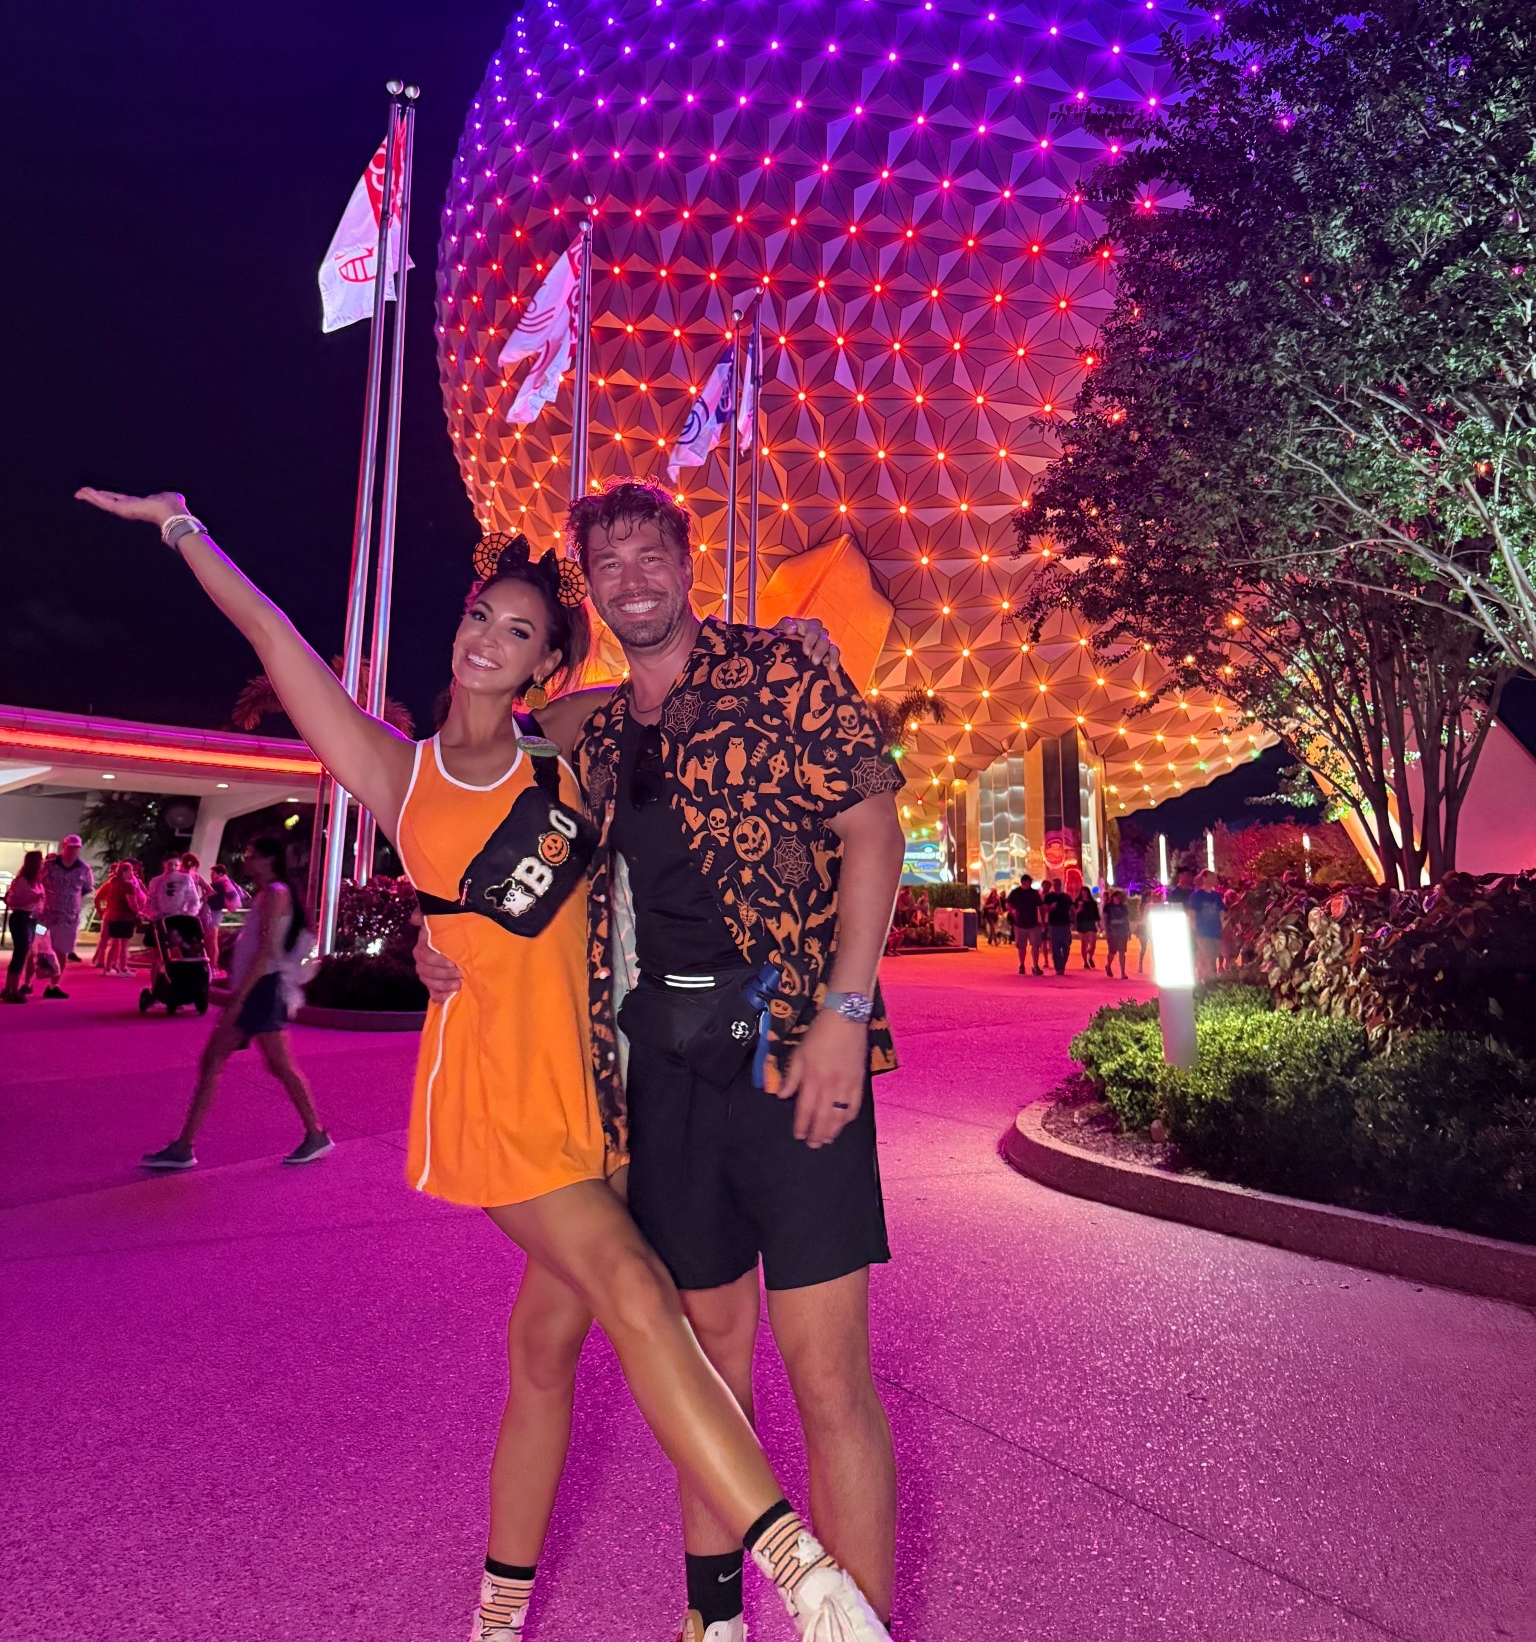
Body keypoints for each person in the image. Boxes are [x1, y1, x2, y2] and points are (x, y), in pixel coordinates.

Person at [79, 483, 890, 1642]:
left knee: (544, 1350)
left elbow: (692, 695)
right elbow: (278, 641)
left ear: (546, 664)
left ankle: (498, 1618)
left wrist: (797, 647)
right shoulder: (400, 769)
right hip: (505, 1101)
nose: (488, 640)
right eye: (481, 617)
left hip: (608, 1094)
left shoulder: (566, 748)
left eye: (521, 631)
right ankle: (801, 1578)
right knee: (641, 1298)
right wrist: (182, 527)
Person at [418, 479, 906, 1642]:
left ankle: (865, 1623)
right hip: (662, 1071)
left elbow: (873, 826)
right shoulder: (589, 729)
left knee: (828, 1370)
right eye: (610, 564)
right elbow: (488, 804)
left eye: (651, 554)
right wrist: (439, 945)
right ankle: (717, 1618)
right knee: (710, 1360)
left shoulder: (782, 670)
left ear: (689, 562)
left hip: (790, 1046)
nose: (633, 577)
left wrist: (846, 1008)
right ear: (594, 588)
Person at [141, 833, 331, 1171]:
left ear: (268, 860)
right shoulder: (268, 894)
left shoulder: (275, 894)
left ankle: (186, 1146)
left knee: (240, 1063)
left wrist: (238, 997)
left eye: (251, 853)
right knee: (256, 1064)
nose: (246, 857)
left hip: (260, 990)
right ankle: (185, 1145)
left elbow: (267, 951)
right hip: (260, 989)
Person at [39, 834, 94, 979]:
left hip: (69, 918)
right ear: (64, 847)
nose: (73, 851)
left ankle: (53, 985)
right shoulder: (50, 865)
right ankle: (27, 983)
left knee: (62, 950)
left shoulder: (83, 869)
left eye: (76, 848)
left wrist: (71, 900)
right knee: (37, 946)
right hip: (45, 916)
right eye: (70, 848)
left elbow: (87, 888)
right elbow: (38, 882)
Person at [4, 851, 46, 1001]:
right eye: (40, 861)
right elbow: (12, 901)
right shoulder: (22, 881)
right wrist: (32, 898)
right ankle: (12, 990)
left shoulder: (38, 881)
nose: (43, 864)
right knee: (20, 953)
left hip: (33, 919)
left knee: (27, 952)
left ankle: (10, 987)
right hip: (21, 917)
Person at [146, 854, 204, 958]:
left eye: (175, 865)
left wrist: (187, 913)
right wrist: (155, 913)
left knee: (182, 948)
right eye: (170, 864)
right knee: (159, 952)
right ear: (164, 864)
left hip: (179, 918)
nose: (172, 867)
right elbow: (151, 900)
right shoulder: (156, 881)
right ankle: (159, 970)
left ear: (179, 865)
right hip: (161, 918)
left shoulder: (186, 879)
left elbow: (193, 899)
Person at [93, 860, 146, 975]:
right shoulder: (128, 885)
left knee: (114, 943)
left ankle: (107, 968)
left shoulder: (112, 883)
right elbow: (131, 903)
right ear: (124, 872)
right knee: (123, 944)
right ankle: (123, 968)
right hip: (124, 917)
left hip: (113, 916)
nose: (133, 872)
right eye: (131, 870)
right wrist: (139, 912)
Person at [200, 859, 243, 968]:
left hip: (213, 913)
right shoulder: (225, 884)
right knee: (210, 940)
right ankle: (212, 965)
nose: (211, 875)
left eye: (213, 873)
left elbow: (209, 897)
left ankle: (212, 965)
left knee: (211, 940)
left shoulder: (217, 885)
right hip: (216, 913)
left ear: (219, 874)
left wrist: (201, 898)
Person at [1005, 874, 1042, 976]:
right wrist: (1013, 911)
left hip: (1033, 923)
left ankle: (1035, 965)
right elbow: (1008, 904)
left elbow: (1040, 906)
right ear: (1024, 882)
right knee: (1021, 946)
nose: (1029, 884)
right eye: (1028, 882)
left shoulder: (1034, 893)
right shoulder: (1016, 892)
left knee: (1035, 945)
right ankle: (1021, 964)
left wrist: (1041, 922)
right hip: (1020, 923)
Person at [1190, 870, 1225, 978]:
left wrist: (1223, 923)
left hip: (1216, 932)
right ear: (1205, 878)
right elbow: (1192, 912)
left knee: (1212, 956)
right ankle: (1207, 980)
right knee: (1208, 956)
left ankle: (1202, 978)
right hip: (1203, 932)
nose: (1214, 879)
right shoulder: (1197, 896)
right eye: (1211, 877)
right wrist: (1193, 925)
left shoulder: (1217, 896)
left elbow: (1222, 911)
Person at [1045, 879, 1075, 975]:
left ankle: (1062, 963)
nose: (1057, 886)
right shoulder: (1049, 897)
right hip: (1054, 924)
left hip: (1065, 924)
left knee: (1066, 946)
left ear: (1061, 885)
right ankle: (1058, 968)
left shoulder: (1066, 897)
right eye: (1055, 884)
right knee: (1055, 947)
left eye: (1058, 884)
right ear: (1053, 886)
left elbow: (1072, 909)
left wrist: (1073, 920)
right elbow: (1043, 909)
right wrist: (1050, 908)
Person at [1103, 888, 1132, 980]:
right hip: (1112, 931)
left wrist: (1128, 931)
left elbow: (1127, 919)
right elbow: (1105, 919)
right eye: (1117, 897)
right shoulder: (1108, 906)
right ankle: (1108, 965)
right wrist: (1106, 931)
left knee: (1122, 952)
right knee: (1112, 952)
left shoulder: (1124, 907)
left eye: (1120, 897)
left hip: (1122, 931)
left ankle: (1123, 972)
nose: (1118, 899)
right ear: (1113, 897)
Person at [1074, 886, 1101, 969]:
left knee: (1093, 942)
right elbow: (1075, 912)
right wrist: (1079, 907)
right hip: (1082, 922)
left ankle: (1090, 957)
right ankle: (1085, 962)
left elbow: (1096, 913)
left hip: (1091, 922)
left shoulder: (1092, 902)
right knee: (1083, 943)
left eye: (1085, 891)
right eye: (1083, 891)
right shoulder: (1078, 901)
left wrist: (1098, 923)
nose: (1084, 893)